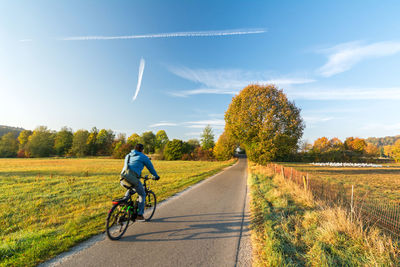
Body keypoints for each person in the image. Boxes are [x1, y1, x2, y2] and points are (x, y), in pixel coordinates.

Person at [121, 143, 159, 221]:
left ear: (134, 149)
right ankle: (139, 215)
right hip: (132, 179)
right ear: (142, 150)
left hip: (123, 178)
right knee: (142, 194)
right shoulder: (143, 157)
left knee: (131, 189)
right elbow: (151, 168)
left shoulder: (128, 156)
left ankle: (124, 203)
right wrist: (156, 176)